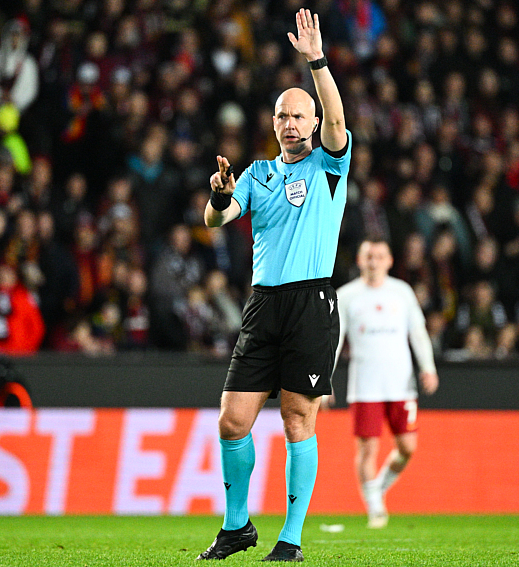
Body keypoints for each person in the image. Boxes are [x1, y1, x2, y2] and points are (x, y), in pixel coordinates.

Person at [197, 9, 351, 562]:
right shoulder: (258, 173)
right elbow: (219, 219)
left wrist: (316, 60)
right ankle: (237, 527)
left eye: (299, 116)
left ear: (312, 125)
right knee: (232, 419)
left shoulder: (330, 165)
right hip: (263, 306)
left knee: (296, 417)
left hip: (311, 303)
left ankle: (290, 539)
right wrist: (218, 194)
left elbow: (337, 117)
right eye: (282, 115)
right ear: (274, 121)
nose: (290, 124)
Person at [329, 239, 439, 528]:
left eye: (379, 256)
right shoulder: (347, 295)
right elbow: (334, 341)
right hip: (365, 386)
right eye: (368, 256)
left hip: (401, 384)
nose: (373, 262)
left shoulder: (401, 292)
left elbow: (417, 332)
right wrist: (325, 379)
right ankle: (375, 507)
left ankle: (376, 488)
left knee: (408, 447)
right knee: (367, 449)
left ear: (390, 261)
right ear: (359, 260)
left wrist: (427, 367)